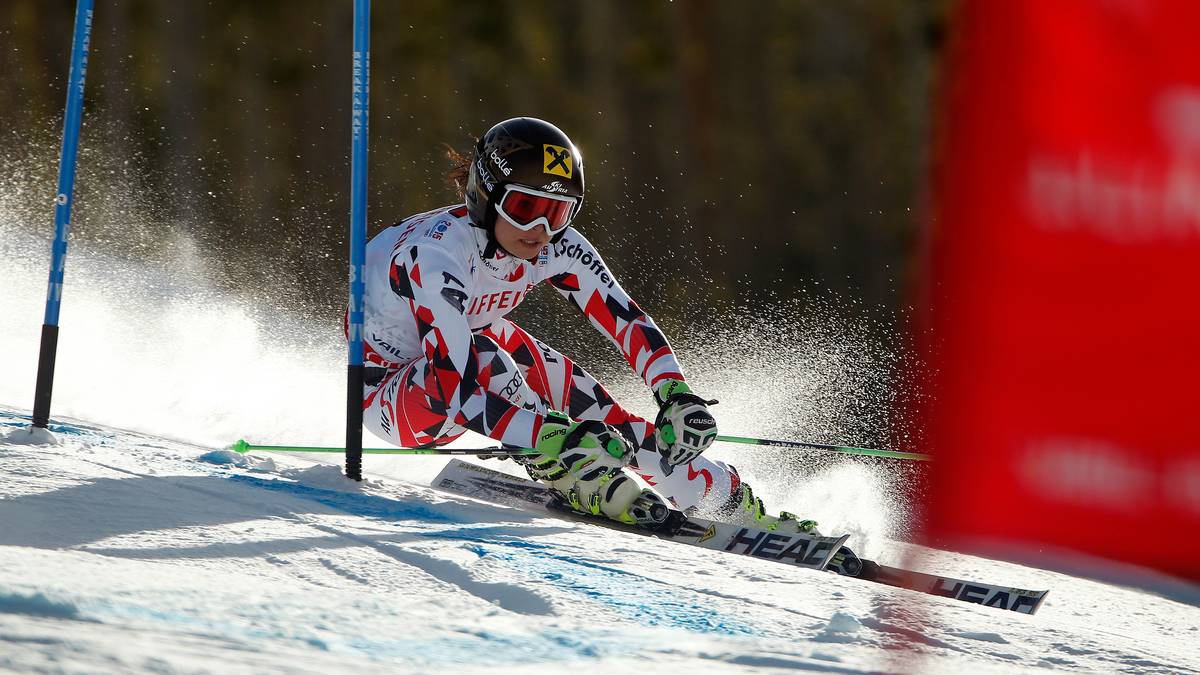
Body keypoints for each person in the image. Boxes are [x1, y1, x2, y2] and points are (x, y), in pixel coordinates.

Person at [358, 116, 817, 533]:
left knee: (595, 407)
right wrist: (547, 435)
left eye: (557, 212)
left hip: (472, 343)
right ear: (485, 194)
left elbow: (626, 320)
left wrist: (675, 394)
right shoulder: (434, 256)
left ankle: (726, 500)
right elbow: (449, 389)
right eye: (523, 208)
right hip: (391, 392)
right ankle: (568, 470)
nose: (539, 229)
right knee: (489, 359)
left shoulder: (557, 246)